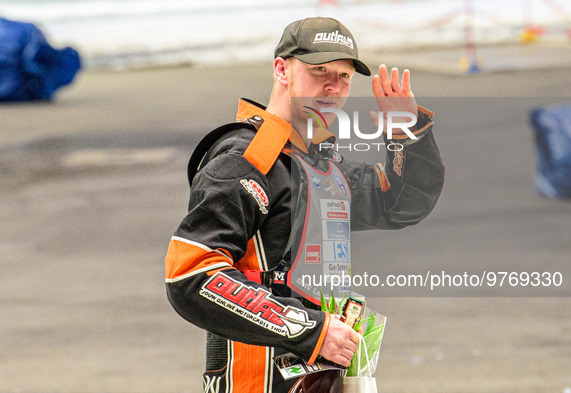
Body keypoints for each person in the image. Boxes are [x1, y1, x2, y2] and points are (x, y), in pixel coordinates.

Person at [165, 17, 444, 393]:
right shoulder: (244, 161)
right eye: (319, 71)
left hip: (319, 381)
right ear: (282, 69)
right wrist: (308, 329)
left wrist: (405, 133)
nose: (333, 86)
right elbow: (191, 275)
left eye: (344, 77)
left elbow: (401, 203)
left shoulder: (321, 167)